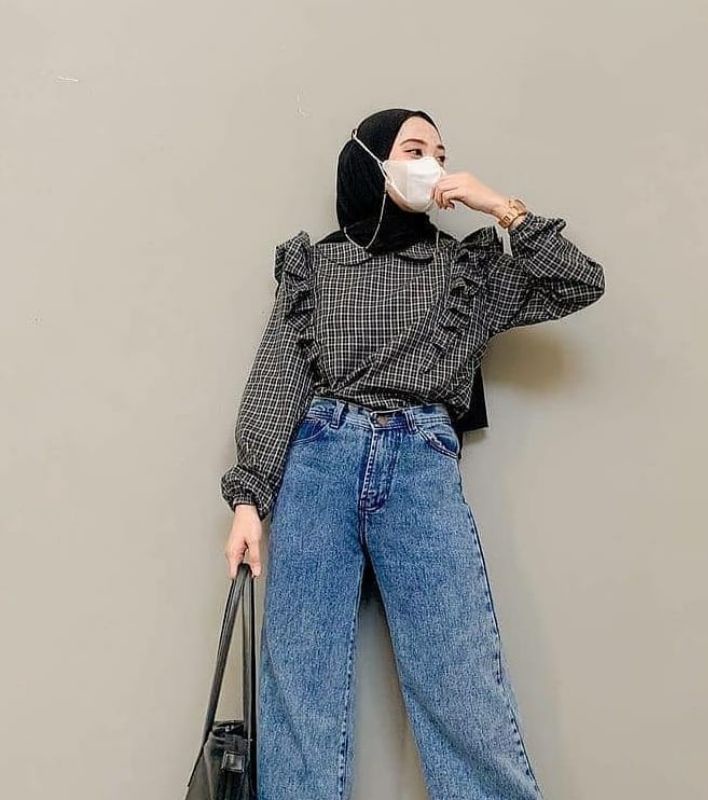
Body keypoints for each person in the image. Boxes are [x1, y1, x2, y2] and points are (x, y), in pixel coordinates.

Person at [220, 108, 606, 799]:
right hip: (320, 459)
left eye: (440, 153)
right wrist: (250, 498)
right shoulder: (316, 268)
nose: (431, 164)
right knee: (299, 684)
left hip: (419, 462)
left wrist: (500, 206)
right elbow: (279, 376)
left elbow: (579, 282)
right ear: (370, 163)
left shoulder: (466, 271)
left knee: (461, 678)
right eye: (414, 149)